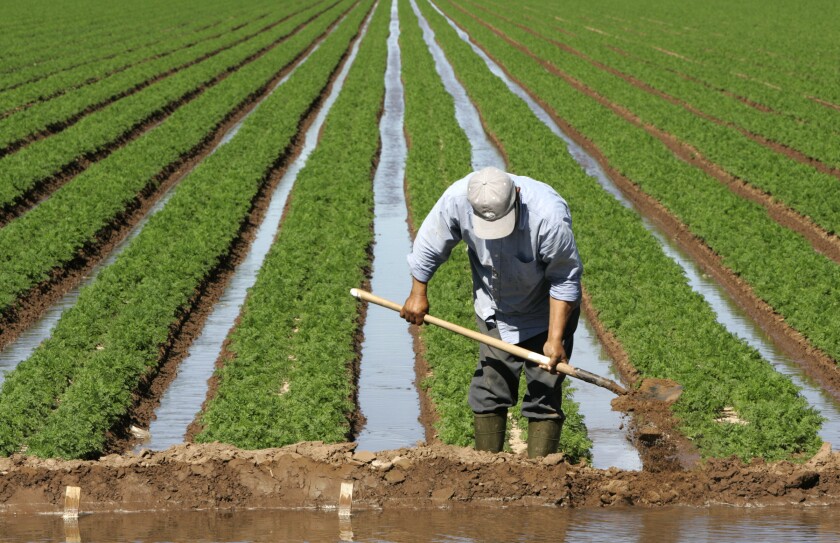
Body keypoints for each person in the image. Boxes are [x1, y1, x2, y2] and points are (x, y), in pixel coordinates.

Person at [401, 166, 582, 458]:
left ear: (517, 196)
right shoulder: (458, 199)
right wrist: (417, 293)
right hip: (495, 310)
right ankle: (488, 472)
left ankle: (543, 476)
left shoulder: (547, 216)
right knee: (490, 387)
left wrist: (555, 338)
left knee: (544, 389)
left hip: (547, 311)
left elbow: (564, 279)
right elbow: (429, 244)